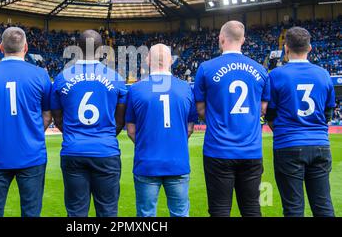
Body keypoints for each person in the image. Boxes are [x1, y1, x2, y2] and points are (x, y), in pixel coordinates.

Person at [0, 27, 52, 217]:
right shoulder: (41, 75)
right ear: (26, 47)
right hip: (32, 155)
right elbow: (47, 115)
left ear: (0, 47)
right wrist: (33, 131)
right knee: (31, 212)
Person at [193, 21, 270, 217]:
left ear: (221, 38)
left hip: (218, 149)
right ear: (243, 40)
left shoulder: (206, 68)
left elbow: (200, 108)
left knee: (219, 210)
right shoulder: (260, 70)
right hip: (251, 151)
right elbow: (263, 109)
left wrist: (216, 121)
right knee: (252, 208)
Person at [51, 29, 127, 217]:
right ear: (102, 50)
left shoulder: (62, 78)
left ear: (77, 48)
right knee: (108, 211)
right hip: (106, 150)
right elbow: (120, 120)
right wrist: (107, 134)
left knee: (76, 213)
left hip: (73, 150)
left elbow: (58, 118)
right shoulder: (116, 78)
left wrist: (71, 133)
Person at [266, 27, 335, 217]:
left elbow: (270, 116)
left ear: (286, 48)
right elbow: (328, 113)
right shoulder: (324, 74)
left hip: (288, 145)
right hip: (320, 145)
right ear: (310, 48)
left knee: (293, 209)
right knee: (323, 206)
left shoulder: (275, 75)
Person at [125, 44, 197, 217]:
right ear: (171, 61)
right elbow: (189, 128)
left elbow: (131, 130)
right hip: (177, 163)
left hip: (147, 163)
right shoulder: (186, 88)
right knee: (180, 214)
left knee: (146, 215)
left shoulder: (135, 89)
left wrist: (147, 144)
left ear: (148, 61)